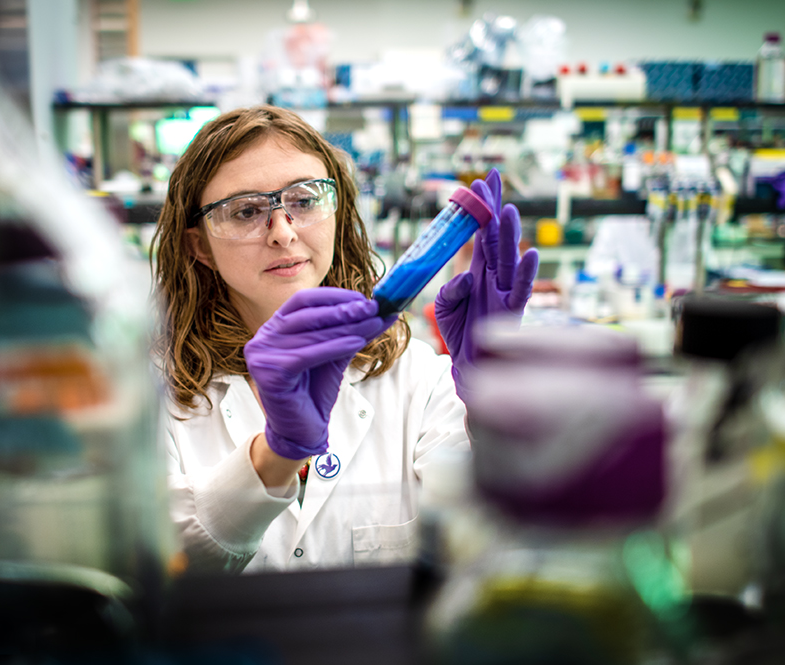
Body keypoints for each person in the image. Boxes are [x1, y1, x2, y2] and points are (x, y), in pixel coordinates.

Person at [152, 105, 539, 574]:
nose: (282, 232)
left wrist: (493, 400)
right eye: (246, 211)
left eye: (305, 200)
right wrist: (275, 455)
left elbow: (484, 543)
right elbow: (157, 566)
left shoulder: (419, 379)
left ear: (337, 211)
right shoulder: (153, 396)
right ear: (200, 247)